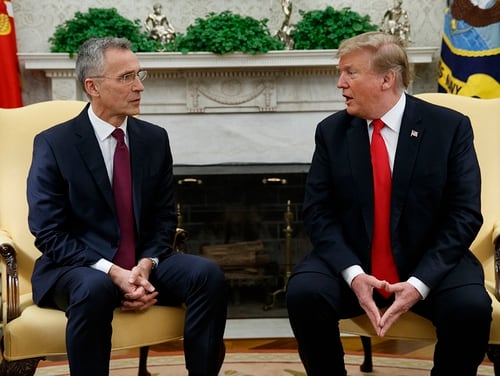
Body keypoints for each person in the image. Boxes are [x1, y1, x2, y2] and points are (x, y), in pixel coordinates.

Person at [286, 31, 492, 375]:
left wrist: (419, 283)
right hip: (353, 262)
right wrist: (353, 274)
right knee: (304, 293)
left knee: (470, 307)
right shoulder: (331, 132)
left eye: (350, 72)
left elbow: (464, 214)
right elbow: (318, 213)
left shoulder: (449, 128)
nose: (340, 83)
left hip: (428, 263)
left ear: (387, 79)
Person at [27, 37, 227, 376]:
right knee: (94, 287)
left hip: (142, 263)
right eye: (126, 78)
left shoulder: (154, 138)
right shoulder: (54, 143)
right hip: (78, 268)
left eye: (139, 74)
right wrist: (113, 272)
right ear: (92, 86)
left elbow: (165, 216)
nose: (139, 86)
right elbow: (48, 232)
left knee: (207, 275)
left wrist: (146, 266)